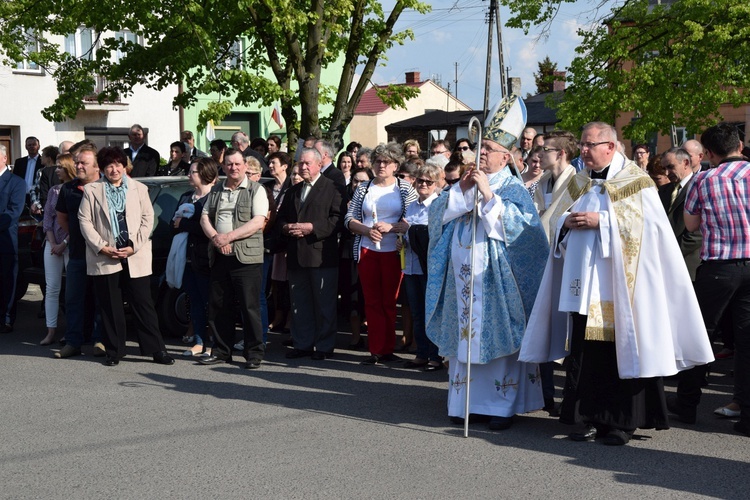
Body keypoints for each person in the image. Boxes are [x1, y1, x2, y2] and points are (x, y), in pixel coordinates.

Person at [520, 122, 714, 445]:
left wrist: (602, 222)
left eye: (589, 145)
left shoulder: (636, 182)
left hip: (622, 288)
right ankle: (587, 418)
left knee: (618, 353)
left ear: (610, 147)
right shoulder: (580, 179)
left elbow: (649, 230)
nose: (582, 151)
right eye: (582, 144)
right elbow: (556, 219)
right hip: (583, 287)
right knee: (584, 353)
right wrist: (566, 221)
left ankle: (622, 422)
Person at [425, 96, 548, 431]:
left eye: (489, 149)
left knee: (497, 342)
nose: (480, 154)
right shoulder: (466, 180)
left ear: (506, 156)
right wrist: (461, 194)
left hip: (495, 281)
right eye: (478, 148)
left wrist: (490, 197)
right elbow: (437, 217)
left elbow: (527, 235)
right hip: (462, 281)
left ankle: (499, 406)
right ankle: (463, 402)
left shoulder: (513, 188)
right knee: (463, 340)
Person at [682, 122, 750, 436]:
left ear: (708, 153)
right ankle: (746, 411)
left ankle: (687, 404)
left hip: (720, 264)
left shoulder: (705, 179)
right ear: (740, 144)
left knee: (701, 334)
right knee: (747, 338)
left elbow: (692, 225)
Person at [78, 146, 174, 366]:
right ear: (102, 169)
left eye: (118, 164)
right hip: (105, 256)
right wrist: (102, 247)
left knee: (143, 305)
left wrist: (134, 245)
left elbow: (148, 219)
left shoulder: (139, 188)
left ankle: (156, 350)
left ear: (124, 165)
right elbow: (85, 221)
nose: (115, 169)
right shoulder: (92, 190)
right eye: (110, 165)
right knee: (110, 306)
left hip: (134, 254)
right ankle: (114, 351)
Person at [345, 143, 417, 365]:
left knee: (390, 302)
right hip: (367, 250)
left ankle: (388, 348)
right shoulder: (363, 188)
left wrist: (392, 227)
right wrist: (367, 230)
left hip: (394, 253)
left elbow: (414, 218)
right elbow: (349, 219)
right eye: (377, 161)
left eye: (386, 162)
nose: (381, 165)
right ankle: (376, 350)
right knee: (372, 302)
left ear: (396, 165)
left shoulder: (404, 188)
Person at [198, 148, 268, 369]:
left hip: (246, 257)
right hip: (219, 255)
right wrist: (217, 239)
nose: (233, 168)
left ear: (245, 166)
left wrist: (229, 237)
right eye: (229, 164)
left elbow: (258, 222)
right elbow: (204, 217)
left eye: (237, 164)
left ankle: (254, 353)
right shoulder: (217, 189)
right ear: (223, 166)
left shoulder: (256, 190)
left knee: (249, 307)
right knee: (218, 306)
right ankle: (221, 351)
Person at [278, 148, 345, 360]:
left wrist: (311, 227)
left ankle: (324, 346)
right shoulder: (293, 190)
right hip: (296, 254)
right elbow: (280, 219)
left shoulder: (333, 188)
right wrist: (286, 228)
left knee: (324, 304)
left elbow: (337, 220)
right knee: (300, 304)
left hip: (321, 255)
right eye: (300, 163)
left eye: (307, 163)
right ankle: (302, 344)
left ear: (319, 164)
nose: (303, 167)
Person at [53, 144, 105, 358]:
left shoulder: (106, 187)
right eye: (77, 162)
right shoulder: (68, 189)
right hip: (77, 254)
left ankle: (100, 340)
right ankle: (73, 342)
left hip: (103, 255)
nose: (78, 166)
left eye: (84, 163)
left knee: (101, 300)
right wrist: (77, 235)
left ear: (96, 167)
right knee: (74, 299)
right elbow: (62, 217)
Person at [172, 158, 219, 357]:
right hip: (187, 258)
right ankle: (199, 340)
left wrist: (184, 224)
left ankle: (215, 343)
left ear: (205, 174)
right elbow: (171, 224)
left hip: (206, 258)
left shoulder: (215, 198)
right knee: (195, 301)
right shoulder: (185, 197)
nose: (189, 175)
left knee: (211, 302)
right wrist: (182, 224)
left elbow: (208, 228)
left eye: (193, 172)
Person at [399, 163, 442, 371]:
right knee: (416, 312)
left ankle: (435, 356)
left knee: (430, 312)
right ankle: (421, 353)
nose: (423, 184)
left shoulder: (438, 205)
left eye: (428, 181)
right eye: (420, 180)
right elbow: (408, 232)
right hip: (410, 265)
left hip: (429, 267)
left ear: (436, 184)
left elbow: (434, 236)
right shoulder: (413, 205)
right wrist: (402, 238)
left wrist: (411, 230)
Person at [40, 154, 75, 345]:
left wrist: (65, 244)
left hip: (70, 244)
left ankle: (70, 331)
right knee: (52, 289)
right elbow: (47, 220)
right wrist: (53, 244)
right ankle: (50, 331)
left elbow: (78, 222)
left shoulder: (79, 189)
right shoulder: (53, 190)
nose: (56, 170)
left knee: (72, 290)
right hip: (53, 245)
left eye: (60, 166)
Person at [658, 147, 702, 281]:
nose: (666, 173)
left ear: (686, 163)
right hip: (665, 266)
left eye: (670, 167)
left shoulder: (699, 186)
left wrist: (670, 252)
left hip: (689, 265)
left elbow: (697, 232)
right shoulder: (663, 191)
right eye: (664, 168)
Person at [533, 130, 579, 242]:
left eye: (545, 149)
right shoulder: (543, 182)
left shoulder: (576, 185)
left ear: (560, 154)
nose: (540, 154)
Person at [0, 144, 26, 333]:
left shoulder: (16, 182)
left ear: (4, 158)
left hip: (5, 241)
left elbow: (13, 212)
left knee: (7, 280)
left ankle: (6, 317)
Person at [29, 145, 61, 218]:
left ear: (49, 158)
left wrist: (39, 206)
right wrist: (36, 204)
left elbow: (41, 191)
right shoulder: (40, 171)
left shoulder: (58, 172)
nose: (40, 157)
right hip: (42, 209)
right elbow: (35, 189)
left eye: (43, 155)